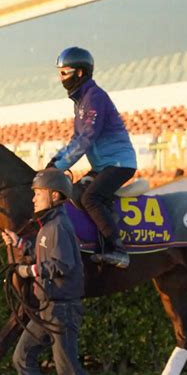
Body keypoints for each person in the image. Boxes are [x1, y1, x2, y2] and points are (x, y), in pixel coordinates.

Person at [1, 168, 115, 375]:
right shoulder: (47, 226)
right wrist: (20, 246)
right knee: (22, 357)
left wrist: (28, 272)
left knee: (66, 367)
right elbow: (43, 255)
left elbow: (62, 264)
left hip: (62, 308)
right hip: (48, 307)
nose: (33, 199)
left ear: (54, 195)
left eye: (38, 194)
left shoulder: (58, 226)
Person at [46, 46, 137, 269]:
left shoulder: (94, 97)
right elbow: (76, 138)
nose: (60, 78)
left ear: (80, 73)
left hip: (120, 164)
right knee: (75, 193)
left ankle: (118, 250)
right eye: (59, 72)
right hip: (103, 166)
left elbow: (86, 138)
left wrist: (58, 167)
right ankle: (103, 233)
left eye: (64, 72)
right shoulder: (81, 101)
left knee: (90, 198)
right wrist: (54, 162)